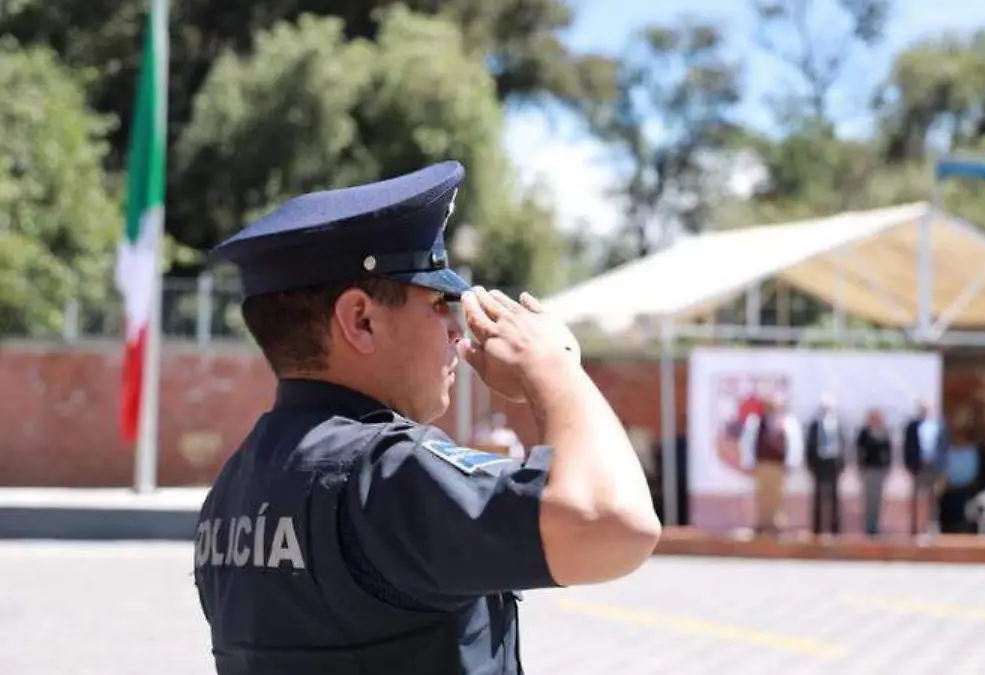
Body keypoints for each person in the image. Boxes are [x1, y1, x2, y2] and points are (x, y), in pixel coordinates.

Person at [192, 161, 661, 675]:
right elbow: (615, 525)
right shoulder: (385, 475)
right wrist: (554, 369)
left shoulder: (236, 485)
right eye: (439, 302)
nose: (456, 332)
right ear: (361, 320)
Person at [738, 390, 802, 536]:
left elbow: (794, 443)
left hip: (778, 466)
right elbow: (748, 442)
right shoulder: (755, 421)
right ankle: (761, 525)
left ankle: (777, 526)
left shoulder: (787, 422)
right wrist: (748, 462)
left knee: (778, 496)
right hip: (762, 465)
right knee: (762, 495)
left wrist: (791, 462)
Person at [903, 398, 948, 537]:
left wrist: (943, 468)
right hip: (919, 465)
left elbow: (944, 448)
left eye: (927, 408)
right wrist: (909, 465)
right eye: (922, 408)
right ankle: (915, 527)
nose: (925, 411)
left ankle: (932, 526)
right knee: (917, 496)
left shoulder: (939, 426)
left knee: (933, 497)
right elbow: (907, 447)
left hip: (934, 465)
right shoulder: (912, 426)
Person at [804, 393, 847, 536]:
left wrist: (842, 463)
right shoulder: (815, 423)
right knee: (818, 496)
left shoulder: (838, 423)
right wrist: (810, 463)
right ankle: (817, 530)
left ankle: (835, 529)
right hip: (819, 462)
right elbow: (810, 445)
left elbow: (843, 444)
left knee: (834, 497)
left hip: (833, 461)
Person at [855, 408, 893, 537]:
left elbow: (888, 451)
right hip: (868, 469)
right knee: (868, 499)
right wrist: (860, 467)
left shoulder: (885, 432)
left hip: (880, 470)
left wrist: (888, 467)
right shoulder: (864, 432)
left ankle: (876, 525)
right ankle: (868, 525)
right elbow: (859, 451)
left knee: (878, 499)